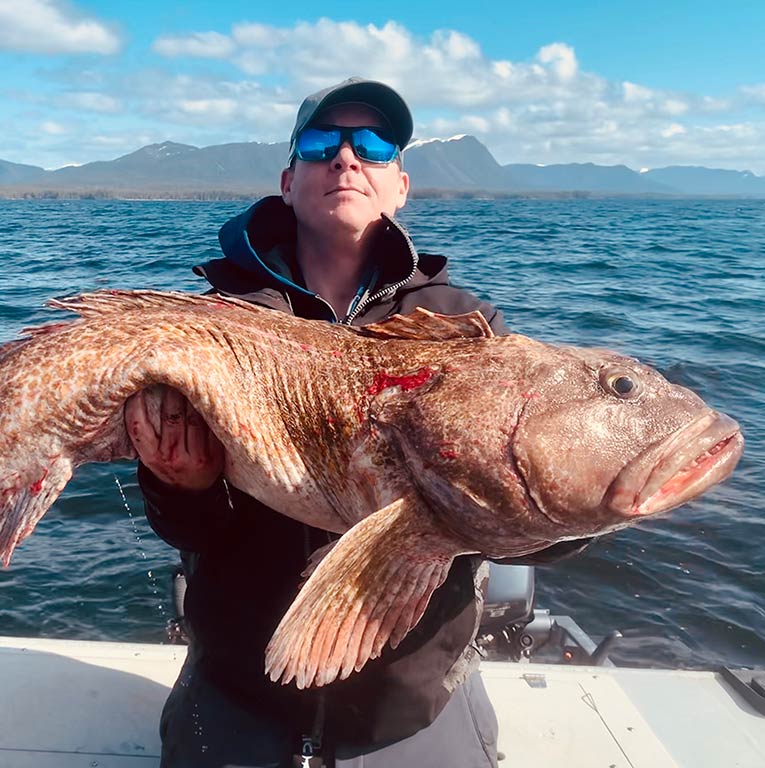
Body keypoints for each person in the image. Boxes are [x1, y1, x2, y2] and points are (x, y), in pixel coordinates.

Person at [124, 77, 588, 767]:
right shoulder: (215, 322)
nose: (346, 159)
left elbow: (515, 528)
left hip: (410, 700)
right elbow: (188, 534)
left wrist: (584, 491)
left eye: (372, 145)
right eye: (321, 144)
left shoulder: (468, 328)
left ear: (400, 183)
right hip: (241, 686)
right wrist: (182, 485)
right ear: (288, 180)